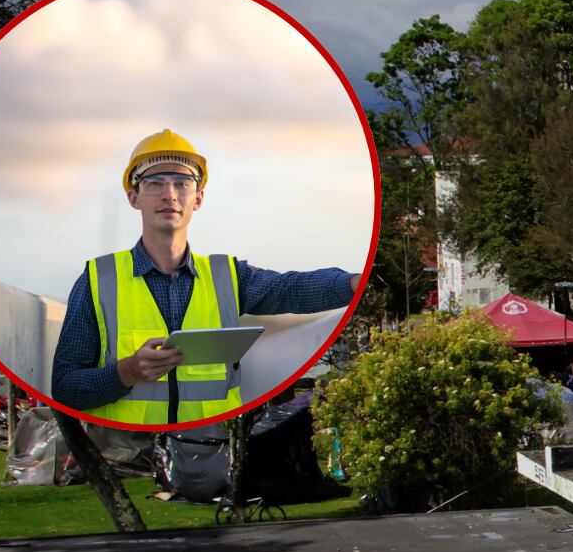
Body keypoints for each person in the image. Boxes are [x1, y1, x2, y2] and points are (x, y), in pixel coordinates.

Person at [51, 129, 360, 425]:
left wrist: (352, 283)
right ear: (134, 197)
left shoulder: (226, 277)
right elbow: (65, 388)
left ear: (197, 198)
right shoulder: (99, 280)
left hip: (214, 458)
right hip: (131, 458)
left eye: (182, 183)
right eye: (155, 182)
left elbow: (288, 289)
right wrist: (126, 371)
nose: (169, 194)